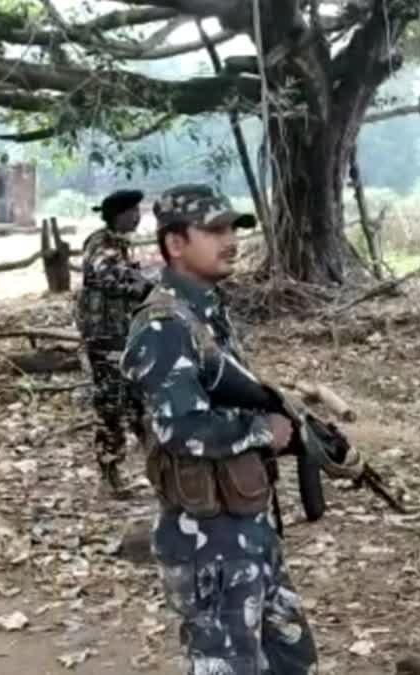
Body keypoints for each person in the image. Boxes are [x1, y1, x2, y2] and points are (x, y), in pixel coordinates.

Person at [119, 186, 318, 673]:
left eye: (232, 228)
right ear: (175, 244)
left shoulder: (205, 314)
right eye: (214, 230)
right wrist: (260, 430)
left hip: (246, 531)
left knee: (291, 658)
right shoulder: (164, 326)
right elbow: (179, 428)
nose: (229, 240)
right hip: (208, 543)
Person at [75, 189, 154, 497]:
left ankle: (160, 466)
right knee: (110, 403)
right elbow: (111, 276)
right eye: (132, 211)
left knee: (138, 402)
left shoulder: (120, 245)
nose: (137, 216)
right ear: (118, 214)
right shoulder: (100, 244)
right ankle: (109, 474)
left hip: (124, 334)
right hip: (105, 337)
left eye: (138, 211)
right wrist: (151, 289)